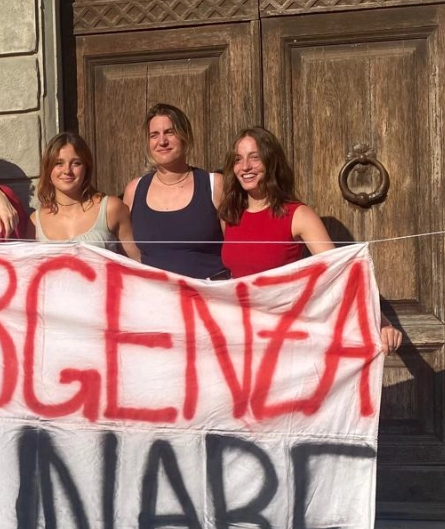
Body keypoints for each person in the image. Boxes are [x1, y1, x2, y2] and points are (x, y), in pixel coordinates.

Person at [219, 126, 402, 354]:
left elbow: (341, 274)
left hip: (282, 339)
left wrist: (381, 321)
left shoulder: (298, 215)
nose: (245, 166)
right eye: (238, 159)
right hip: (239, 337)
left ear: (271, 162)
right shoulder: (230, 215)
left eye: (254, 158)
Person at [123, 103, 226, 279]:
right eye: (154, 135)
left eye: (170, 132)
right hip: (154, 300)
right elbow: (128, 255)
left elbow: (236, 247)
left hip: (206, 299)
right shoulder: (134, 190)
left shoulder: (214, 185)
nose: (162, 141)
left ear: (185, 136)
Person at [33, 131, 139, 257]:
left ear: (86, 169)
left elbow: (136, 261)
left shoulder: (111, 208)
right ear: (48, 169)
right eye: (58, 163)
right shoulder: (34, 222)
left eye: (76, 163)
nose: (67, 170)